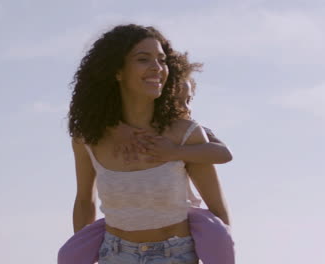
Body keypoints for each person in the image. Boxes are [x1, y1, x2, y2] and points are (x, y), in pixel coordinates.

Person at [65, 24, 232, 263]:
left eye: (162, 60)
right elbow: (84, 200)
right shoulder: (88, 138)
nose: (157, 68)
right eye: (143, 59)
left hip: (176, 255)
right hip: (114, 255)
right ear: (117, 71)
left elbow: (218, 209)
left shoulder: (185, 135)